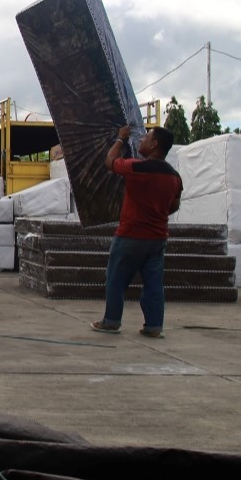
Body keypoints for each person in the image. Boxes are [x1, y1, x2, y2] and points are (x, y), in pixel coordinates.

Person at [91, 125, 183, 338]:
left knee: (116, 279)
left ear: (154, 145)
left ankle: (111, 321)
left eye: (146, 137)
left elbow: (110, 161)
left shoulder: (137, 168)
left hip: (130, 235)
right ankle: (153, 325)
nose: (141, 140)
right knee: (153, 284)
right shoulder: (174, 177)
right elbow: (175, 205)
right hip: (158, 238)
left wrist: (121, 139)